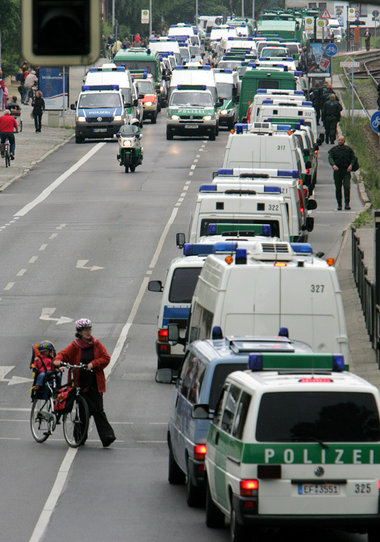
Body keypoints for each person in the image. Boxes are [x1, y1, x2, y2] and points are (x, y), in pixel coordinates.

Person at [53, 318, 116, 447]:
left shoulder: (96, 344)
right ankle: (79, 437)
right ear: (79, 332)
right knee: (82, 412)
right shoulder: (75, 346)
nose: (88, 332)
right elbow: (62, 355)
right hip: (80, 384)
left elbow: (106, 358)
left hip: (95, 383)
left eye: (89, 329)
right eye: (85, 330)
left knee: (98, 410)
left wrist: (93, 364)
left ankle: (107, 436)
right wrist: (58, 360)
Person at [328, 135, 356, 211]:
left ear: (344, 141)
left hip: (346, 170)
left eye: (342, 140)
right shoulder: (334, 150)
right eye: (339, 140)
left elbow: (353, 158)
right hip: (337, 171)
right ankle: (339, 204)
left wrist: (351, 165)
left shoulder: (348, 149)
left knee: (347, 187)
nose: (340, 141)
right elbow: (330, 157)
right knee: (338, 188)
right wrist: (333, 165)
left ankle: (347, 203)